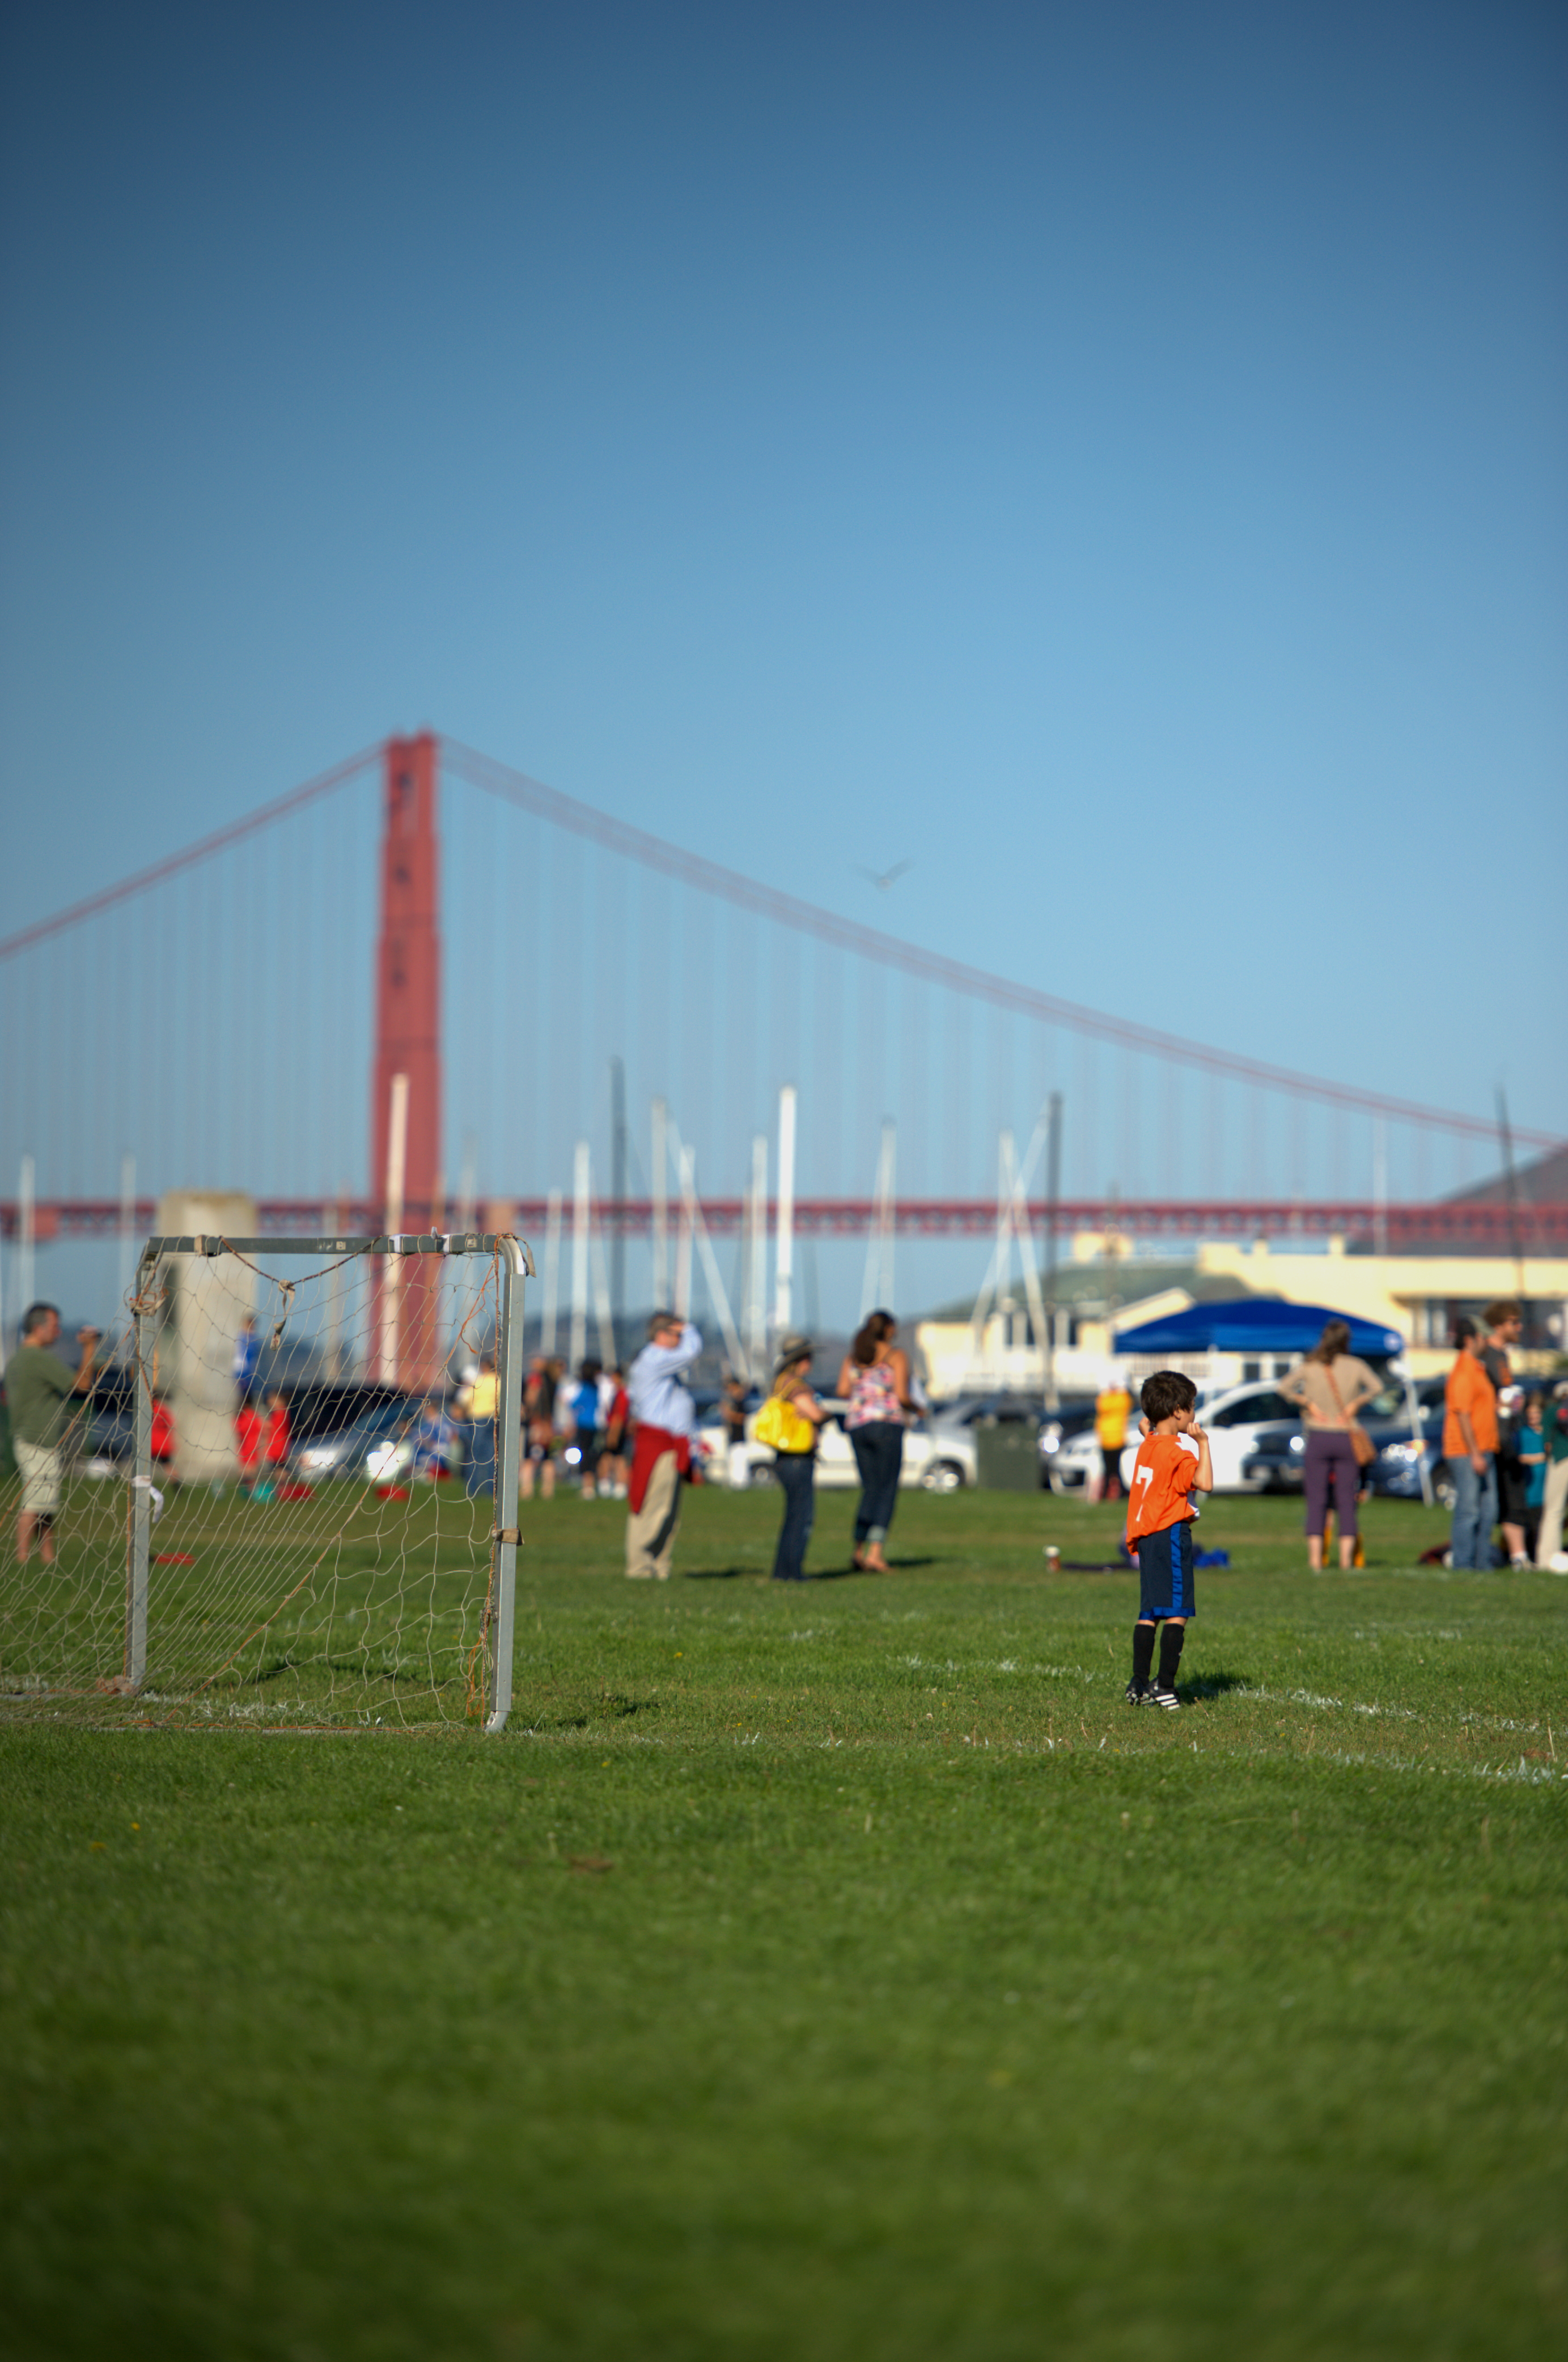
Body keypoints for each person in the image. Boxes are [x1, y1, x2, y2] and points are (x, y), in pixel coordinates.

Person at [1122, 1369, 1211, 1711]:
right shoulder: (1178, 1452)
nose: (1193, 1413)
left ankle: (1139, 1680)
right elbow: (1204, 1482)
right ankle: (1166, 1685)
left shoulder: (1148, 1445)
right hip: (1170, 1533)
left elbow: (1150, 1433)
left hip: (1145, 1536)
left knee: (1149, 1610)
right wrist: (1202, 1444)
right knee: (1177, 1611)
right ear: (1178, 1411)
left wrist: (1151, 1429)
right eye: (1191, 1406)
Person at [1278, 1318, 1382, 1571]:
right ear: (1347, 1341)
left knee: (1317, 1501)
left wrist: (1308, 1403)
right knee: (1347, 1501)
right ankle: (1346, 1562)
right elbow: (1377, 1387)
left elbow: (1283, 1387)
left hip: (1318, 1435)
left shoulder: (1311, 1366)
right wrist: (1356, 1404)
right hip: (1347, 1435)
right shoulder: (1356, 1365)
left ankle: (1316, 1561)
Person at [10, 1303, 100, 1567]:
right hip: (37, 1439)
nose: (59, 1332)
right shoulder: (38, 1358)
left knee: (46, 1504)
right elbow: (83, 1384)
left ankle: (47, 1558)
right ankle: (22, 1558)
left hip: (31, 1439)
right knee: (35, 1502)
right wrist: (89, 1347)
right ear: (38, 1328)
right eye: (55, 1326)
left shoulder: (18, 1358)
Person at [625, 1313, 701, 1580]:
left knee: (669, 1511)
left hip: (670, 1443)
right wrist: (689, 1328)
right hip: (658, 1443)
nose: (680, 1340)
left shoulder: (659, 1363)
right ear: (662, 1334)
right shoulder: (655, 1358)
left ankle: (658, 1564)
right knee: (653, 1508)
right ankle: (640, 1566)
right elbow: (692, 1352)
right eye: (676, 1334)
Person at [836, 1311, 913, 1571]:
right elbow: (902, 1395)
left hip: (857, 1424)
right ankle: (875, 1553)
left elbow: (843, 1391)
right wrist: (918, 1408)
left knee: (869, 1489)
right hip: (887, 1424)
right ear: (889, 1329)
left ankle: (857, 1550)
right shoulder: (895, 1356)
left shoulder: (855, 1357)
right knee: (886, 1489)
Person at [762, 1337, 832, 1582]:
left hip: (785, 1457)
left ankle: (783, 1571)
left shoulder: (779, 1383)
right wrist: (827, 1415)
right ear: (800, 1360)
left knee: (793, 1515)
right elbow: (814, 1413)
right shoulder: (795, 1385)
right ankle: (792, 1572)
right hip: (797, 1457)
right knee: (801, 1516)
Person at [1444, 1318, 1498, 1571]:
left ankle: (1482, 1562)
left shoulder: (1478, 1369)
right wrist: (1475, 1454)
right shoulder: (1464, 1371)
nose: (1486, 1341)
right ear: (1470, 1340)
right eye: (1482, 1337)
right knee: (1469, 1511)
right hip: (1466, 1451)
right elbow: (1462, 1414)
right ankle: (1463, 1564)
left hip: (1485, 1449)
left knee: (1489, 1510)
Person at [1480, 1301, 1529, 1566]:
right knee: (1493, 1500)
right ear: (1499, 1325)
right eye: (1513, 1322)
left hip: (1508, 1434)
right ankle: (1487, 1555)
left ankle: (1518, 1555)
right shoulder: (1486, 1354)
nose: (1518, 1327)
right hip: (1492, 1437)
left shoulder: (1503, 1356)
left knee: (1514, 1494)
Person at [1535, 1381, 1568, 1567]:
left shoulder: (1552, 1411)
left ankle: (1546, 1558)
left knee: (1554, 1511)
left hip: (1562, 1459)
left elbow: (1546, 1443)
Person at [461, 1355, 498, 1500]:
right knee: (491, 1455)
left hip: (478, 1419)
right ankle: (491, 1489)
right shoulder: (499, 1381)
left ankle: (473, 1488)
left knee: (475, 1454)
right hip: (493, 1419)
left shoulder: (479, 1381)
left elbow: (465, 1399)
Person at [521, 1356, 557, 1502]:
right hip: (548, 1421)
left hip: (536, 1422)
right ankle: (548, 1490)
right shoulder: (553, 1379)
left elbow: (532, 1398)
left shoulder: (536, 1378)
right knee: (548, 1458)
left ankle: (526, 1490)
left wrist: (525, 1409)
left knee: (529, 1457)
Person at [1517, 1392, 1547, 1566]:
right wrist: (1543, 1456)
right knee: (1533, 1526)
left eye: (1537, 1414)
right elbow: (1521, 1457)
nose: (1533, 1418)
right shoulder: (1523, 1433)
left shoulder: (1548, 1433)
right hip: (1531, 1490)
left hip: (1547, 1487)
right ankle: (1532, 1557)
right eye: (1530, 1414)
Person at [1094, 1377, 1134, 1504]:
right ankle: (1119, 1492)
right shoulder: (1120, 1399)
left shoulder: (1114, 1399)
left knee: (1111, 1469)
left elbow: (1102, 1405)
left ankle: (1110, 1492)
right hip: (1111, 1439)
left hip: (1112, 1439)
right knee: (1113, 1469)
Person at [569, 1359, 603, 1500]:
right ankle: (592, 1484)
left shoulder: (585, 1387)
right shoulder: (596, 1387)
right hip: (594, 1424)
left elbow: (574, 1404)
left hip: (584, 1424)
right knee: (591, 1453)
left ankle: (587, 1486)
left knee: (585, 1455)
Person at [599, 1366, 630, 1499]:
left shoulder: (622, 1394)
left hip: (616, 1428)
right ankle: (617, 1485)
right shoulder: (616, 1392)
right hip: (616, 1427)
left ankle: (617, 1485)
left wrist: (613, 1434)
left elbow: (619, 1416)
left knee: (614, 1457)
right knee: (617, 1457)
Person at [412, 1396, 455, 1481]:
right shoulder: (442, 1421)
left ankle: (435, 1473)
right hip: (441, 1450)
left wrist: (425, 1441)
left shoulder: (437, 1423)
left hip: (438, 1451)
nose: (425, 1412)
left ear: (433, 1410)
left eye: (427, 1409)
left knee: (424, 1461)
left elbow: (430, 1440)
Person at [718, 1375, 750, 1490]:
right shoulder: (732, 1402)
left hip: (740, 1438)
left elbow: (742, 1418)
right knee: (733, 1462)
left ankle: (741, 1484)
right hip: (732, 1437)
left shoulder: (741, 1401)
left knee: (740, 1462)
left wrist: (729, 1414)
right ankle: (735, 1483)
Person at [235, 1396, 264, 1496]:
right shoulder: (253, 1415)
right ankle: (252, 1491)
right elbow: (261, 1429)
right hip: (252, 1444)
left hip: (244, 1444)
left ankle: (250, 1491)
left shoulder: (240, 1415)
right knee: (251, 1470)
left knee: (246, 1470)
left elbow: (237, 1429)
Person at [232, 1314, 260, 1397]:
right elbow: (242, 1356)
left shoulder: (254, 1338)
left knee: (248, 1395)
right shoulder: (242, 1337)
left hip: (250, 1371)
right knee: (243, 1396)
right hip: (242, 1370)